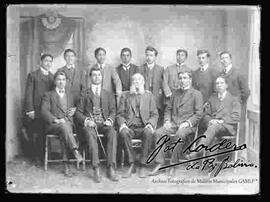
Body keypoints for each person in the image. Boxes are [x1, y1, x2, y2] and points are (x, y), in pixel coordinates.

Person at [150, 70, 203, 176]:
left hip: (187, 125)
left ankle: (173, 164)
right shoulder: (175, 93)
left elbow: (198, 114)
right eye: (180, 78)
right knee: (158, 133)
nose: (182, 81)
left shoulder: (196, 94)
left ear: (190, 79)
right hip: (173, 123)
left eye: (185, 78)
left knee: (179, 134)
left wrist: (187, 122)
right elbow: (168, 109)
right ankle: (160, 163)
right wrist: (166, 121)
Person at [75, 67, 119, 183]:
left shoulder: (108, 93)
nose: (97, 77)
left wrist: (110, 120)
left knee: (113, 133)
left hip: (104, 123)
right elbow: (78, 113)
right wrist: (87, 120)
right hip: (90, 125)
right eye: (94, 75)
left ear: (102, 77)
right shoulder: (84, 93)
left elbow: (113, 111)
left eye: (99, 75)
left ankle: (111, 167)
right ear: (90, 77)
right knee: (90, 133)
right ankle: (96, 168)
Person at [186, 76, 241, 159]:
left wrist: (221, 121)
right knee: (213, 133)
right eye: (217, 83)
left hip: (227, 127)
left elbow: (236, 116)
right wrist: (211, 120)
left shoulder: (234, 99)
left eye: (221, 83)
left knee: (213, 128)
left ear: (226, 85)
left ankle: (197, 152)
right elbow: (206, 114)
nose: (219, 85)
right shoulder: (212, 98)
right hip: (212, 127)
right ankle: (211, 165)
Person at [41, 71, 83, 177]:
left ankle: (67, 165)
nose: (61, 82)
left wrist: (74, 111)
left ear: (66, 82)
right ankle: (75, 150)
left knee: (65, 130)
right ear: (55, 81)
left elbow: (74, 111)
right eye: (59, 79)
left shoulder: (70, 95)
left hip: (67, 125)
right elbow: (44, 111)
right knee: (64, 128)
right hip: (53, 125)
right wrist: (56, 120)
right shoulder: (48, 95)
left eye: (63, 79)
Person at [117, 73, 159, 178]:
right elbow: (120, 114)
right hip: (130, 127)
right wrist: (123, 124)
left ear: (143, 82)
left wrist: (150, 124)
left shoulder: (149, 96)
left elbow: (154, 114)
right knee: (123, 132)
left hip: (143, 127)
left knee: (148, 132)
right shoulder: (125, 95)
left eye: (139, 80)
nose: (137, 82)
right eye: (134, 80)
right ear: (131, 83)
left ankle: (143, 164)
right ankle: (132, 163)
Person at [23, 54, 54, 166]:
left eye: (50, 61)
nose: (48, 63)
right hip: (36, 110)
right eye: (46, 61)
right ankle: (36, 157)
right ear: (41, 62)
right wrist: (30, 110)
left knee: (45, 132)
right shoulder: (33, 75)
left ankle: (45, 155)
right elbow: (28, 94)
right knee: (36, 133)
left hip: (47, 111)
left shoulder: (52, 76)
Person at [138, 46, 164, 127]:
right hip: (144, 99)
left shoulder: (161, 69)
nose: (149, 57)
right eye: (147, 55)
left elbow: (163, 84)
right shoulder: (140, 68)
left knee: (157, 122)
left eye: (151, 55)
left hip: (157, 100)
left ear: (155, 57)